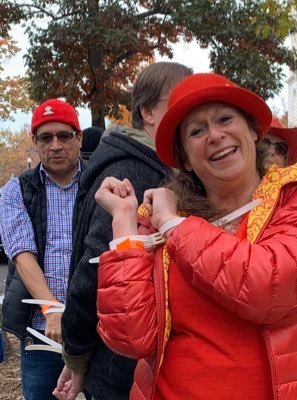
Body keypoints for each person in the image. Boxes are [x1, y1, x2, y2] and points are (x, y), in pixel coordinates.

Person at [94, 73, 297, 399]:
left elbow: (270, 285)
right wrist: (124, 221)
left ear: (253, 131)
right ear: (185, 157)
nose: (214, 135)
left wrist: (174, 225)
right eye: (196, 131)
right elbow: (130, 336)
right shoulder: (161, 221)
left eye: (225, 119)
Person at [53, 62, 193, 400]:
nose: (189, 113)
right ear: (148, 112)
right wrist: (76, 355)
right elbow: (95, 270)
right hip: (123, 371)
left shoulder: (135, 162)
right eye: (180, 102)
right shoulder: (135, 172)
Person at [0, 99, 85, 400]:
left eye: (64, 135)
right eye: (46, 138)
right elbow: (22, 256)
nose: (55, 145)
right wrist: (52, 310)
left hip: (96, 329)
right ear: (36, 143)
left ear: (79, 138)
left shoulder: (99, 183)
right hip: (41, 333)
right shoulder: (15, 191)